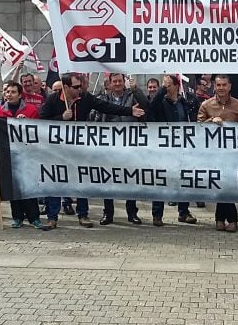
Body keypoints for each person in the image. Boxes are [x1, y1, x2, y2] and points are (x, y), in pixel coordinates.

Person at [39, 72, 145, 229]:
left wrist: (129, 111)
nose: (80, 89)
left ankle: (83, 214)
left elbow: (106, 107)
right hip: (58, 150)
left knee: (81, 180)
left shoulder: (85, 98)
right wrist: (61, 118)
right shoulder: (53, 100)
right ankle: (52, 217)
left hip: (79, 148)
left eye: (80, 86)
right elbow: (42, 120)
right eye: (76, 87)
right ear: (66, 87)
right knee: (55, 180)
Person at [93, 73, 149, 226]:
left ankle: (132, 213)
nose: (117, 84)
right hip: (109, 146)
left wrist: (136, 89)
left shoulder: (133, 96)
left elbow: (146, 105)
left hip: (130, 145)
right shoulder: (103, 99)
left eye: (120, 81)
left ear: (124, 82)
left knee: (130, 179)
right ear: (109, 83)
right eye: (114, 81)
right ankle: (108, 213)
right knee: (107, 180)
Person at [0, 81, 46, 229]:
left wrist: (26, 123)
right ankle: (17, 217)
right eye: (7, 92)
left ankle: (34, 217)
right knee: (13, 187)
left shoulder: (31, 110)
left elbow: (38, 130)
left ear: (20, 94)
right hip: (8, 155)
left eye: (13, 92)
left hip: (27, 154)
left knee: (29, 187)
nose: (10, 94)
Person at [148, 74, 201, 226]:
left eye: (168, 85)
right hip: (164, 148)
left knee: (183, 179)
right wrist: (161, 92)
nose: (165, 88)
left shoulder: (184, 102)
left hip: (182, 147)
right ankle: (157, 214)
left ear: (177, 86)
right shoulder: (160, 102)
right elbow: (151, 107)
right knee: (160, 179)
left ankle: (183, 212)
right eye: (163, 86)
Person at [197, 75, 238, 232]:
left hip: (233, 152)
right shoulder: (206, 105)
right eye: (218, 85)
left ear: (230, 86)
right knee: (219, 184)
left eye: (224, 85)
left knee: (228, 185)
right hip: (213, 152)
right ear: (214, 86)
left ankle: (222, 219)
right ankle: (229, 219)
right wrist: (211, 121)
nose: (221, 88)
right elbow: (198, 128)